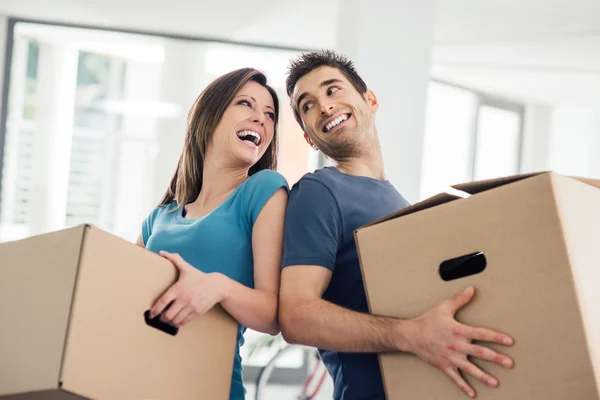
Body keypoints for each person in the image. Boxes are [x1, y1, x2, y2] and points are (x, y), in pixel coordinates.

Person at [278, 50, 514, 400]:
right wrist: (409, 334)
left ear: (370, 100)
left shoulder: (401, 207)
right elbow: (295, 315)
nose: (324, 106)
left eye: (332, 90)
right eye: (307, 106)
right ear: (310, 138)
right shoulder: (319, 192)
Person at [135, 68, 289, 400]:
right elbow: (125, 301)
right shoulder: (158, 219)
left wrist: (217, 286)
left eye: (270, 114)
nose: (260, 119)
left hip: (210, 388)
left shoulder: (263, 190)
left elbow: (273, 314)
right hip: (139, 383)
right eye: (245, 104)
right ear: (210, 115)